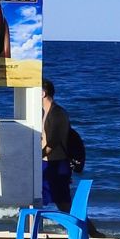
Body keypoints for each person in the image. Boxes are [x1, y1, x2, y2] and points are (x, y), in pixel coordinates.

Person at [41, 79, 72, 214]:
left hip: (57, 163)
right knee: (35, 195)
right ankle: (32, 227)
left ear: (43, 93)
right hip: (46, 163)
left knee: (64, 204)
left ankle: (91, 231)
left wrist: (39, 155)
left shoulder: (58, 113)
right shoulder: (42, 113)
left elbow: (54, 141)